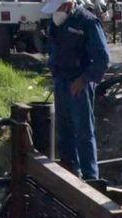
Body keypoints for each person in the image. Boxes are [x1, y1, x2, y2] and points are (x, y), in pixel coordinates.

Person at [43, 0, 110, 180]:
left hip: (79, 83)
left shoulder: (88, 22)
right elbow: (53, 49)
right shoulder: (57, 22)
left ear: (67, 5)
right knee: (64, 130)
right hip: (61, 81)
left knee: (83, 132)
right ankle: (69, 172)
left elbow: (102, 59)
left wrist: (83, 80)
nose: (54, 12)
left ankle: (90, 178)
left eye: (57, 8)